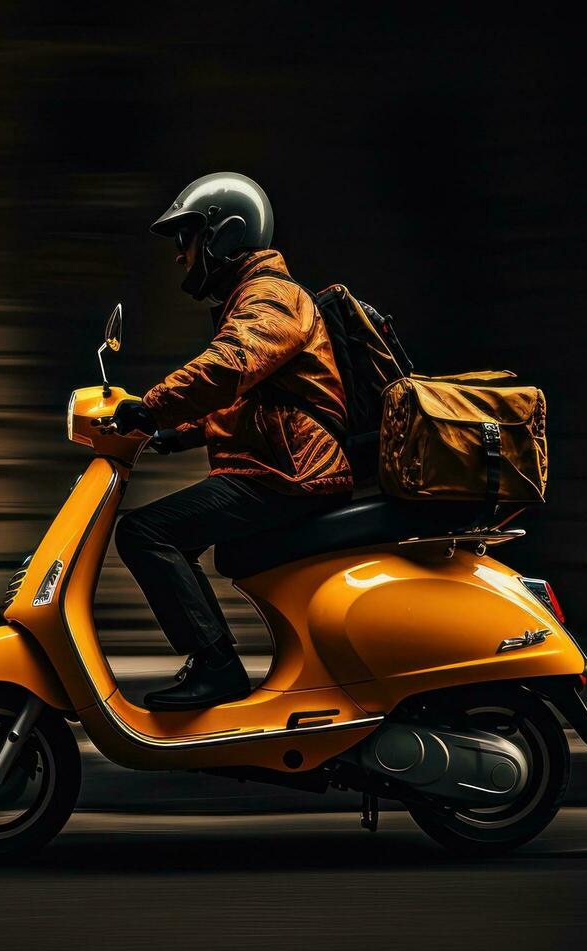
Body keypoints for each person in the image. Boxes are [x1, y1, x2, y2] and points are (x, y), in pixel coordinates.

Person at [107, 172, 353, 711]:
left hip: (290, 475)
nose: (179, 257)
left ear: (223, 237)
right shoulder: (254, 298)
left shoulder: (272, 298)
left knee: (147, 533)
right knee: (157, 532)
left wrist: (150, 405)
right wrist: (173, 434)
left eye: (185, 240)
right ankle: (214, 664)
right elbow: (248, 400)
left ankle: (217, 669)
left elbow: (229, 368)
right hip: (276, 469)